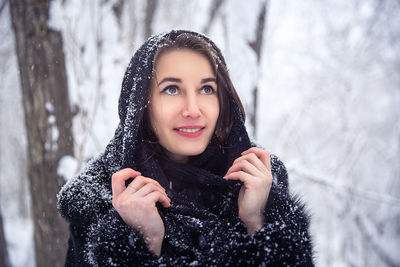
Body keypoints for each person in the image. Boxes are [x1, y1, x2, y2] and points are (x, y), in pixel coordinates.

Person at [57, 30, 314, 266]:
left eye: (206, 89)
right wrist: (140, 243)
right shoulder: (100, 199)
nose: (193, 110)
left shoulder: (258, 181)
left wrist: (257, 223)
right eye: (171, 89)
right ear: (140, 104)